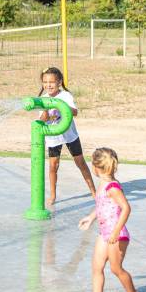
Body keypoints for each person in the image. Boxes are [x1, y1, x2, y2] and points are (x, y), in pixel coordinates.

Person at [78, 147, 139, 292]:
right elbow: (102, 206)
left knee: (116, 268)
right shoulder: (103, 184)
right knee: (96, 266)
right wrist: (90, 218)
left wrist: (116, 231)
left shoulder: (112, 187)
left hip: (116, 234)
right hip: (105, 233)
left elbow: (126, 208)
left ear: (95, 168)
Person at [38, 67, 96, 205]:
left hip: (69, 134)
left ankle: (94, 192)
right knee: (53, 166)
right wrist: (46, 107)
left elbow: (74, 112)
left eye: (51, 82)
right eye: (45, 82)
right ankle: (52, 196)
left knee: (80, 162)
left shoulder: (65, 96)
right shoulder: (42, 99)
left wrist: (60, 105)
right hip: (53, 137)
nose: (48, 85)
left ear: (59, 82)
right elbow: (42, 120)